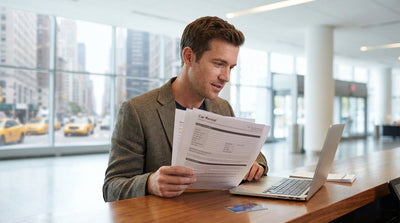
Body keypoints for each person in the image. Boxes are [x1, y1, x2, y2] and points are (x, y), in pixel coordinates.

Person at [103, 16, 269, 202]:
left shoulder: (222, 107)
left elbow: (255, 155)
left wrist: (258, 165)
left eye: (231, 67)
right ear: (189, 57)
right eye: (219, 64)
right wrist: (149, 182)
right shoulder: (137, 110)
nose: (226, 77)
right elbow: (111, 187)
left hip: (216, 212)